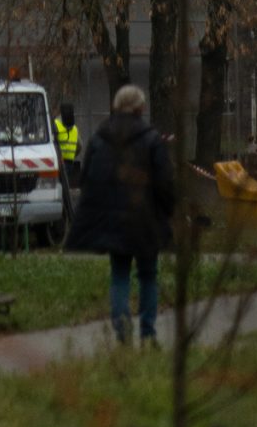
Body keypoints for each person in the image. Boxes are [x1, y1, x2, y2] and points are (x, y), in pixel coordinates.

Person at [66, 83, 176, 346]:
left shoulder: (99, 139)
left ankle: (122, 332)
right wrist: (168, 211)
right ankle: (148, 333)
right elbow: (165, 183)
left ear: (116, 106)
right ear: (140, 107)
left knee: (119, 275)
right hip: (146, 221)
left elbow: (87, 179)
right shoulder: (152, 140)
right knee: (148, 275)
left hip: (113, 221)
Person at [53, 99, 82, 215]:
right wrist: (72, 154)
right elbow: (80, 145)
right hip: (69, 162)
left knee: (58, 189)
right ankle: (67, 213)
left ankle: (62, 213)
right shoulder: (75, 128)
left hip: (58, 162)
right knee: (66, 189)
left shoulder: (56, 125)